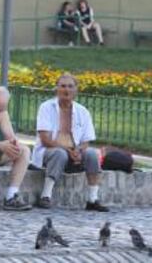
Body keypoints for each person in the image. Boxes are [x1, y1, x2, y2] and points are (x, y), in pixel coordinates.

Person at [32, 73, 109, 212]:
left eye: (70, 86)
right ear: (57, 89)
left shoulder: (82, 111)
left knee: (92, 153)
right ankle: (46, 196)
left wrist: (79, 150)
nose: (66, 90)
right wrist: (68, 150)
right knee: (59, 153)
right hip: (50, 153)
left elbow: (86, 140)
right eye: (62, 86)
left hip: (74, 152)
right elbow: (45, 139)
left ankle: (92, 199)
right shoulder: (46, 107)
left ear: (75, 90)